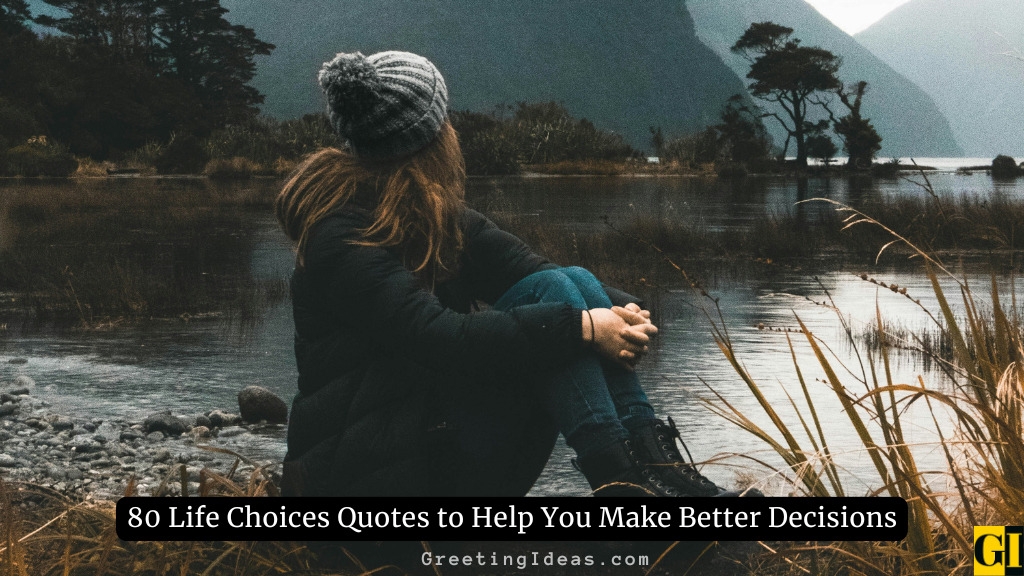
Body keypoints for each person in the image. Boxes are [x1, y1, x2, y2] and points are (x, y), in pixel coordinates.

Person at [276, 50, 752, 498]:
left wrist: (622, 312)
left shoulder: (437, 217)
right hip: (358, 480)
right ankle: (622, 481)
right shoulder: (339, 236)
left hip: (418, 444)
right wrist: (586, 328)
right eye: (446, 120)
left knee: (570, 280)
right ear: (428, 138)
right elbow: (438, 336)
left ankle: (657, 473)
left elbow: (536, 272)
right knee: (557, 312)